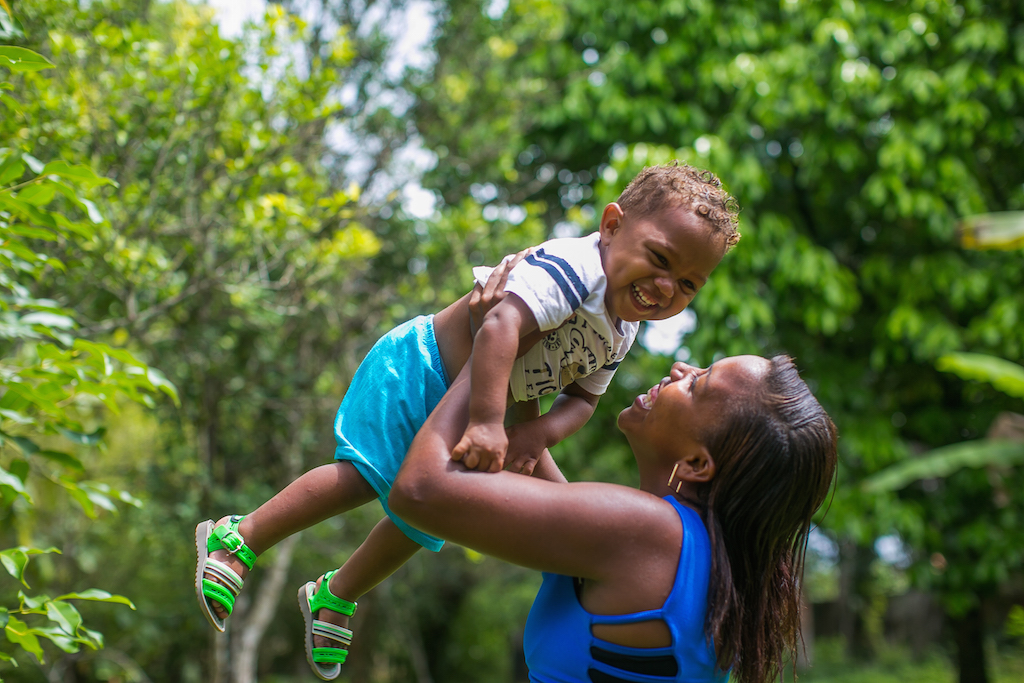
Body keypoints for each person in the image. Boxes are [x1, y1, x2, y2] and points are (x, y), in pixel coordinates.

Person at [194, 163, 740, 679]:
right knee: (364, 476)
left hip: (485, 404)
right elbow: (499, 325)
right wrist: (485, 421)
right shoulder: (575, 270)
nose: (668, 288)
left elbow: (582, 400)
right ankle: (238, 537)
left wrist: (535, 431)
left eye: (690, 284)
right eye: (660, 259)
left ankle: (335, 594)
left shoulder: (622, 326)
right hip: (426, 366)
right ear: (612, 224)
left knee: (429, 520)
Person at [389, 353, 838, 683]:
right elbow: (555, 506)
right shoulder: (706, 561)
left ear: (699, 465)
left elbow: (420, 491)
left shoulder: (650, 533)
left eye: (697, 384)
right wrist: (534, 371)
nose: (682, 367)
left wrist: (487, 350)